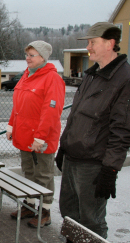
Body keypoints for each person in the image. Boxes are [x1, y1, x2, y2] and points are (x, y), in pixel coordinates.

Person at [56, 22, 130, 240]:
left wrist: (110, 169)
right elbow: (77, 115)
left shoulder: (125, 79)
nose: (88, 47)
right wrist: (64, 146)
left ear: (110, 44)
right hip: (72, 157)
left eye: (92, 42)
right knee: (69, 212)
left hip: (94, 164)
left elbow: (122, 130)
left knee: (91, 221)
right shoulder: (91, 74)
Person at [6, 40, 65, 228]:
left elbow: (51, 111)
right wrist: (11, 126)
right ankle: (29, 206)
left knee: (44, 175)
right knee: (29, 172)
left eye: (32, 55)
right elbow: (18, 106)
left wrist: (40, 137)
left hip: (42, 138)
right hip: (24, 135)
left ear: (43, 57)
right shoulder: (27, 75)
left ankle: (45, 211)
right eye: (27, 55)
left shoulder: (52, 78)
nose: (27, 58)